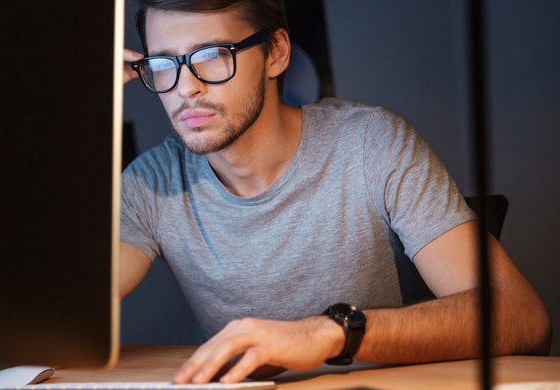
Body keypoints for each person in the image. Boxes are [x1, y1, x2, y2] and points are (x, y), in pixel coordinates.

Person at [119, 0, 551, 385]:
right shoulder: (152, 181)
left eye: (212, 55)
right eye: (162, 63)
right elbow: (58, 314)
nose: (184, 87)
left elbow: (521, 316)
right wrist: (64, 102)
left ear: (276, 52)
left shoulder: (372, 144)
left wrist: (329, 333)